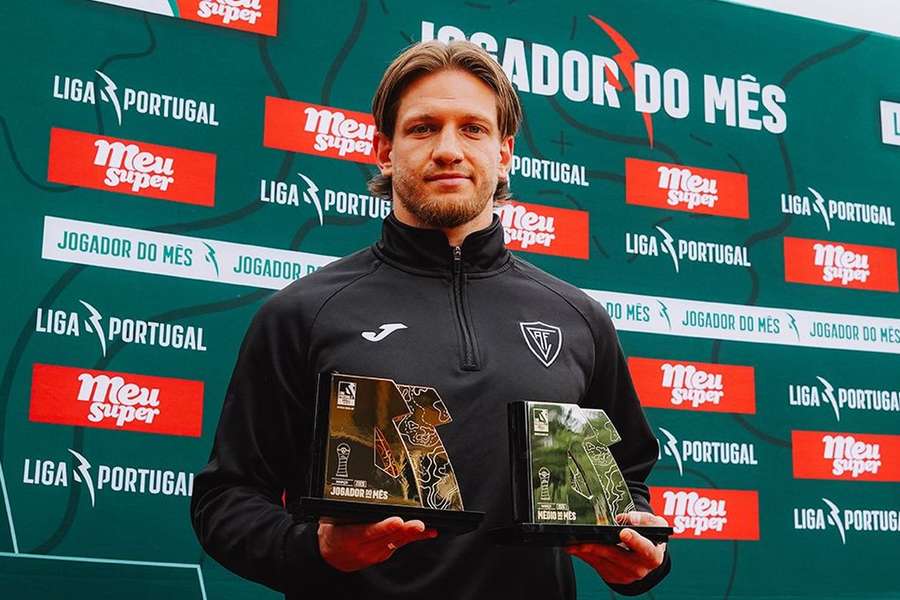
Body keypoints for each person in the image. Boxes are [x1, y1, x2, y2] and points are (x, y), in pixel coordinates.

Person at [190, 40, 670, 599]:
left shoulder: (577, 318)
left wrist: (638, 557)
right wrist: (315, 550)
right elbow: (227, 499)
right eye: (422, 128)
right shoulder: (304, 312)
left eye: (473, 129)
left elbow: (626, 484)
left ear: (504, 153)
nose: (448, 150)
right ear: (384, 150)